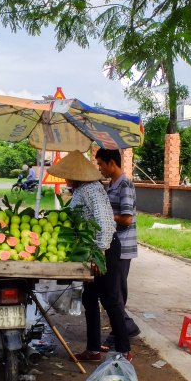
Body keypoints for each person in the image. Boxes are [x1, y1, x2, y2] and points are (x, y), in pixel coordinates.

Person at [46, 151, 128, 362]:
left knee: (110, 299)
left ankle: (124, 349)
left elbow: (105, 220)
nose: (65, 179)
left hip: (105, 249)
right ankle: (93, 349)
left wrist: (100, 252)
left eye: (66, 175)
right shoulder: (81, 190)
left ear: (76, 175)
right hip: (94, 251)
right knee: (90, 298)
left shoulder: (91, 189)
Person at [95, 149, 141, 349]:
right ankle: (127, 326)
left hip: (122, 247)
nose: (100, 168)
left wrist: (104, 215)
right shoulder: (111, 185)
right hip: (112, 245)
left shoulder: (125, 185)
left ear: (111, 163)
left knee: (116, 293)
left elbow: (127, 218)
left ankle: (119, 333)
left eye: (101, 164)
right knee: (110, 292)